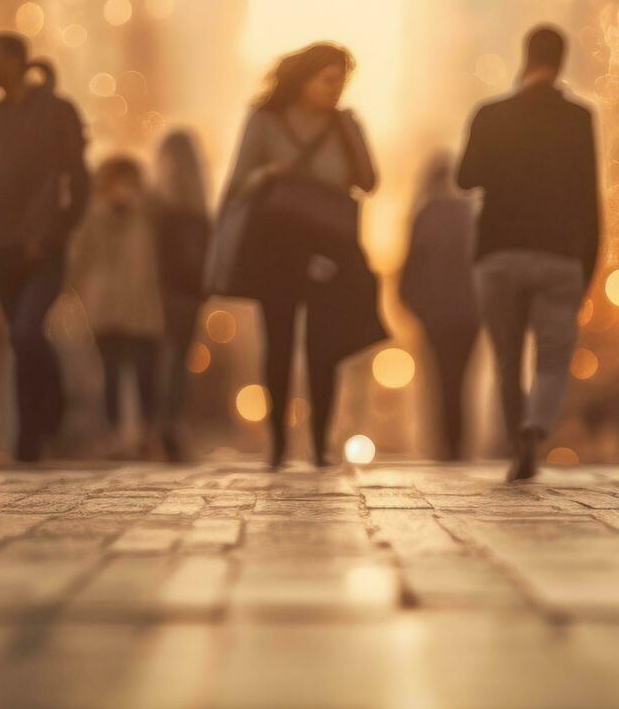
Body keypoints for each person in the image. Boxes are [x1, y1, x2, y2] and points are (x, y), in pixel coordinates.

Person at [211, 43, 385, 470]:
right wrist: (266, 174)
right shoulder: (265, 120)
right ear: (304, 79)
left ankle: (321, 443)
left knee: (326, 345)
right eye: (327, 80)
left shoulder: (344, 123)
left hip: (331, 249)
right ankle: (278, 445)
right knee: (279, 341)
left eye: (342, 81)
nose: (335, 90)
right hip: (277, 246)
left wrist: (351, 133)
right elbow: (236, 184)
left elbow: (369, 181)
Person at [457, 25, 602, 481]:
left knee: (506, 359)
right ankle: (533, 432)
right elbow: (588, 196)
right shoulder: (579, 118)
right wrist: (589, 264)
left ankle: (513, 440)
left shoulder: (491, 114)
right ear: (561, 62)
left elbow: (465, 177)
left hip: (499, 254)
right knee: (554, 359)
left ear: (525, 57)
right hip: (560, 255)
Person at [0, 33, 90, 462]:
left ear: (15, 60)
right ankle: (29, 437)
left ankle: (50, 407)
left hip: (44, 247)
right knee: (20, 339)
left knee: (26, 331)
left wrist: (60, 229)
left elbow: (79, 180)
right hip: (0, 245)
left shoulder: (58, 111)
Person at [67, 155, 179, 459]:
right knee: (113, 373)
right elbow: (79, 260)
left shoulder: (148, 210)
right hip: (111, 308)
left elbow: (78, 264)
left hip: (137, 306)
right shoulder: (94, 214)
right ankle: (119, 435)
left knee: (144, 373)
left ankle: (143, 434)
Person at [399, 152, 479, 462]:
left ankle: (444, 448)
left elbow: (409, 275)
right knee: (462, 381)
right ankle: (459, 446)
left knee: (439, 381)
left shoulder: (426, 215)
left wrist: (419, 308)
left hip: (436, 317)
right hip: (470, 314)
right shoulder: (472, 214)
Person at [150, 129, 210, 457]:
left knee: (168, 360)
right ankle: (168, 426)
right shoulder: (198, 209)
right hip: (185, 294)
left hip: (170, 293)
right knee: (175, 361)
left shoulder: (158, 206)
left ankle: (163, 426)